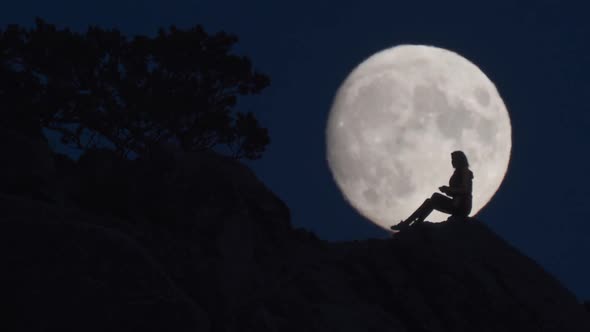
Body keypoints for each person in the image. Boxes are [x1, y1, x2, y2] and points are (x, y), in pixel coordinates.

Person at [391, 151, 473, 231]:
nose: (452, 162)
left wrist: (447, 189)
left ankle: (409, 223)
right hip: (457, 205)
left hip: (462, 207)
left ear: (460, 160)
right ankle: (415, 223)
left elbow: (465, 190)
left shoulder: (465, 171)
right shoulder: (458, 172)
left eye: (454, 159)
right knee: (430, 201)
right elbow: (457, 193)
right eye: (452, 159)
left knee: (434, 198)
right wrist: (447, 190)